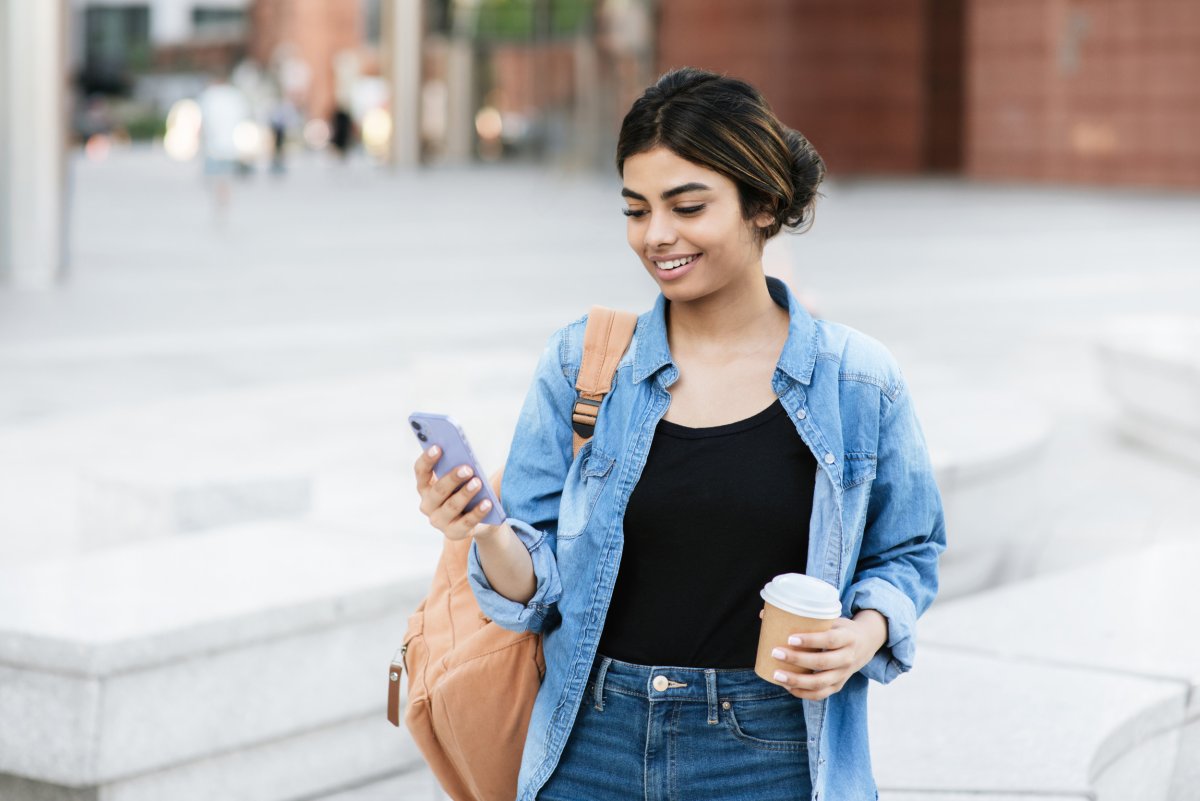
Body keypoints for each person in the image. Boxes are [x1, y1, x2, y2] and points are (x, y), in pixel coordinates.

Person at [413, 67, 946, 801]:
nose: (656, 235)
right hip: (589, 739)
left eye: (687, 205)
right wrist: (483, 527)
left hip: (772, 747)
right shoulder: (582, 364)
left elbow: (910, 551)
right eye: (637, 209)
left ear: (763, 204)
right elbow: (534, 590)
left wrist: (865, 632)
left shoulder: (857, 380)